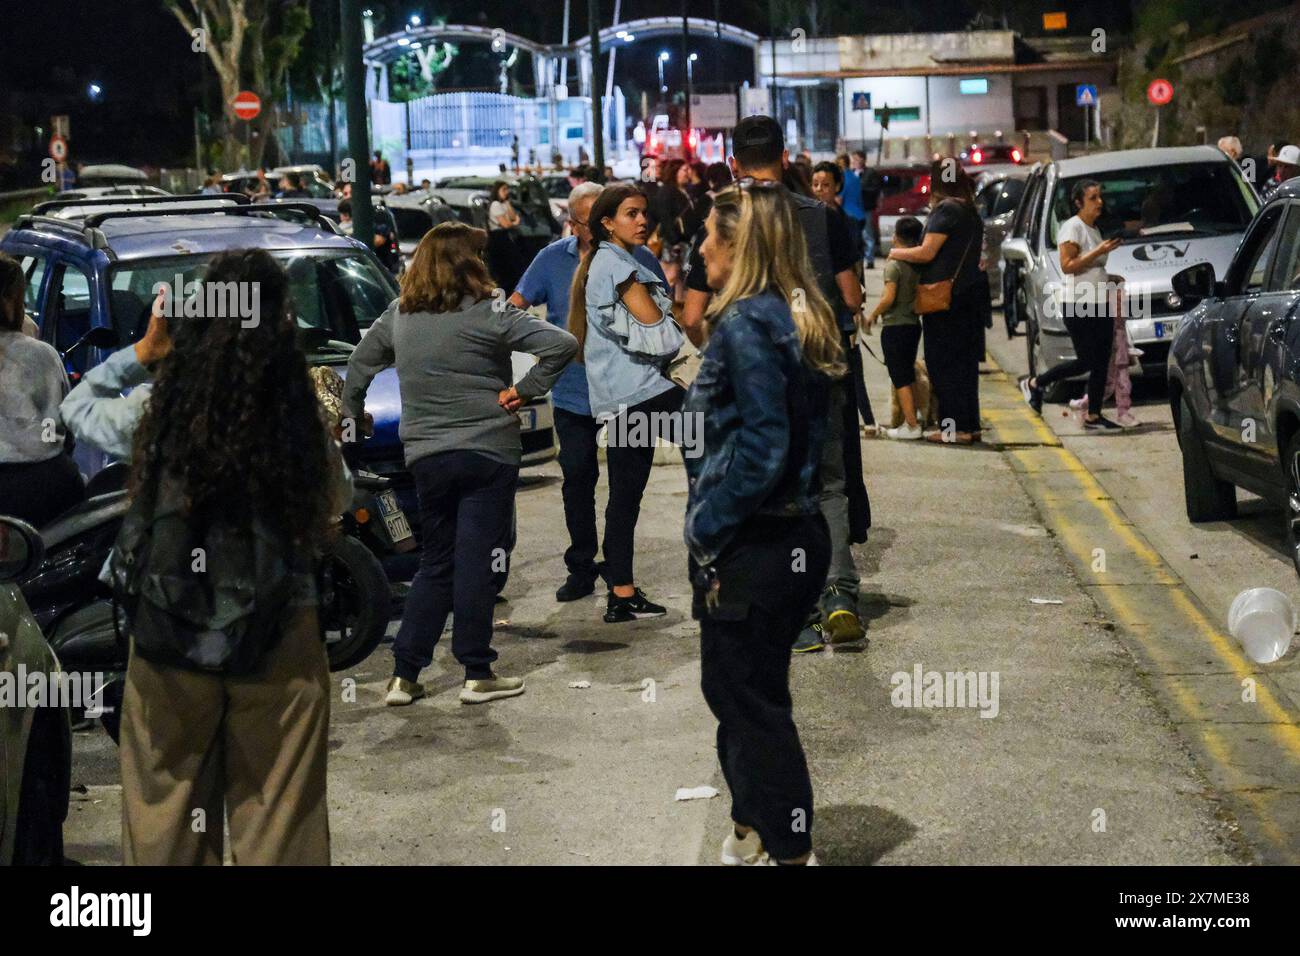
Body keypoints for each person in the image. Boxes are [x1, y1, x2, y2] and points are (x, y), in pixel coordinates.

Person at [107, 249, 352, 865]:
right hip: (279, 632)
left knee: (165, 806)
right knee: (279, 809)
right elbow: (336, 500)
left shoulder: (161, 410)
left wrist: (143, 353)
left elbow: (77, 410)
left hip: (169, 632)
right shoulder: (294, 415)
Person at [343, 223, 577, 706]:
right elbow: (562, 344)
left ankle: (404, 676)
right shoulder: (489, 310)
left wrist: (353, 415)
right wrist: (525, 390)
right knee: (476, 563)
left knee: (436, 562)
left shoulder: (399, 315)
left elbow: (360, 363)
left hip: (427, 456)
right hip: (487, 451)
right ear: (468, 263)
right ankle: (477, 672)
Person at [688, 181, 845, 866]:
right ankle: (751, 824)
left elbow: (761, 448)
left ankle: (789, 848)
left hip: (756, 542)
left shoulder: (747, 323)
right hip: (793, 538)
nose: (699, 249)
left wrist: (707, 527)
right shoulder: (795, 314)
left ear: (736, 245)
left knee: (749, 704)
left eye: (709, 237)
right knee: (747, 691)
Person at [680, 115, 869, 654]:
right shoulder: (822, 216)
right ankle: (838, 595)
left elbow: (692, 315)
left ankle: (792, 608)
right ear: (785, 157)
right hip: (819, 362)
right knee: (826, 484)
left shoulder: (720, 223)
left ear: (734, 163)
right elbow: (852, 300)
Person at [509, 181, 668, 601]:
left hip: (628, 396)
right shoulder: (550, 259)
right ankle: (581, 566)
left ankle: (620, 576)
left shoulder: (641, 258)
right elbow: (514, 308)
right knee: (577, 479)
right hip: (574, 395)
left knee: (625, 490)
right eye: (580, 222)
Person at [569, 183, 684, 623]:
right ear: (606, 222)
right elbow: (661, 334)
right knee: (721, 449)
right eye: (631, 213)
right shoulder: (617, 268)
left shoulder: (604, 263)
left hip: (623, 399)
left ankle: (621, 592)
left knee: (625, 494)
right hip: (644, 395)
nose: (642, 221)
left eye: (644, 213)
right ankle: (727, 573)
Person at [889, 159, 988, 444]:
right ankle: (970, 426)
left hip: (945, 299)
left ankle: (952, 428)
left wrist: (897, 253)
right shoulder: (970, 210)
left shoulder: (946, 210)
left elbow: (926, 252)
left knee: (942, 363)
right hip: (967, 297)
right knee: (965, 364)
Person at [1019, 179, 1123, 430]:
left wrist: (1108, 277)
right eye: (1093, 198)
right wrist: (1098, 252)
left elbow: (1086, 268)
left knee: (1101, 360)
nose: (1099, 202)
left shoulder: (1092, 228)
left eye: (1100, 197)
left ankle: (1094, 416)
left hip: (1098, 300)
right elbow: (1068, 265)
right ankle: (1036, 382)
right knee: (1086, 360)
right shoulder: (1072, 228)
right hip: (1078, 304)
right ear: (1078, 202)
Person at [0, 253, 84, 527]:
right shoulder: (42, 355)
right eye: (21, 299)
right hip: (47, 486)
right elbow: (66, 428)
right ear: (9, 300)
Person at [864, 216, 924, 439]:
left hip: (895, 326)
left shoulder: (895, 265)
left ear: (896, 236)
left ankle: (911, 424)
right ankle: (916, 418)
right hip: (912, 325)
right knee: (908, 374)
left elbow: (889, 297)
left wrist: (872, 315)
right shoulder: (918, 262)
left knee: (900, 377)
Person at [485, 180, 526, 294]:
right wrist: (515, 223)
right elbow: (506, 224)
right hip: (498, 238)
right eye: (503, 190)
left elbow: (513, 217)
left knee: (513, 268)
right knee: (506, 269)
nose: (506, 192)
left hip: (505, 237)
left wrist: (507, 203)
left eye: (507, 189)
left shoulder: (502, 203)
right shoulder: (495, 205)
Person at [837, 153, 867, 266]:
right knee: (858, 250)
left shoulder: (842, 179)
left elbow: (839, 199)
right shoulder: (855, 177)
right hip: (860, 216)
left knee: (849, 253)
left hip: (848, 217)